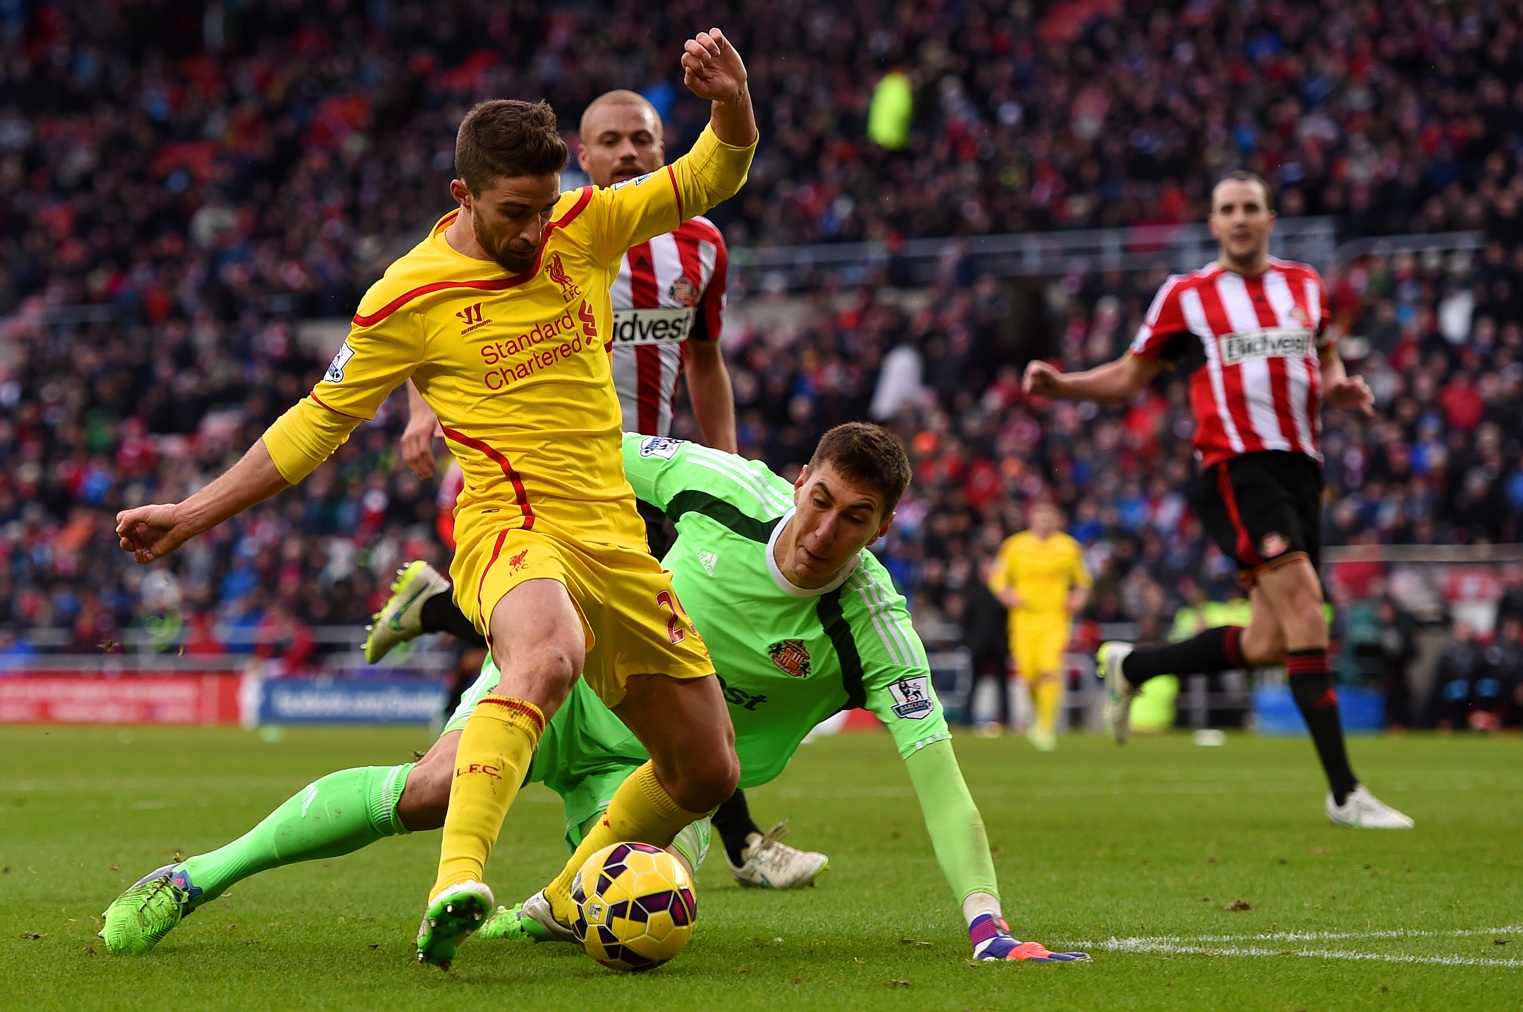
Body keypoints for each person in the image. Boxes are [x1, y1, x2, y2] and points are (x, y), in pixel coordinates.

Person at [113, 27, 760, 969]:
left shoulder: (584, 225)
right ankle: (458, 877)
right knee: (546, 657)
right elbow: (314, 423)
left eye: (544, 207)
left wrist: (729, 99)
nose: (534, 231)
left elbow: (713, 174)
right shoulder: (404, 296)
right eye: (513, 212)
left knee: (706, 770)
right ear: (462, 195)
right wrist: (193, 511)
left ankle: (560, 896)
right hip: (509, 525)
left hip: (615, 534)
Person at [100, 424, 1089, 965]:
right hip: (575, 685)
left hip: (665, 771)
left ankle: (521, 912)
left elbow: (940, 779)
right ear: (799, 481)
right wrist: (462, 433)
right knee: (429, 792)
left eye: (854, 520)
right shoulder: (716, 485)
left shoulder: (875, 625)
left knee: (652, 904)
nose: (824, 530)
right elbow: (577, 452)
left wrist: (984, 922)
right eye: (819, 500)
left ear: (881, 530)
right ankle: (192, 879)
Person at [369, 88, 824, 891]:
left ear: (660, 148)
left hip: (655, 476)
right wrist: (417, 407)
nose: (627, 153)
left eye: (642, 139)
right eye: (609, 141)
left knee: (650, 653)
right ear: (583, 158)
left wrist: (727, 468)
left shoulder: (699, 247)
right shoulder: (549, 236)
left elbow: (705, 362)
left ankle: (436, 619)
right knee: (551, 646)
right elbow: (429, 306)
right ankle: (739, 840)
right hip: (552, 474)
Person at [1023, 170, 1413, 829]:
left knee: (1269, 640)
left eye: (1249, 208)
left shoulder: (1305, 285)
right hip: (1236, 468)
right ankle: (1344, 792)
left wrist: (1339, 385)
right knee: (1306, 613)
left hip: (1301, 471)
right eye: (1226, 208)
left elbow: (1326, 353)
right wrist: (1062, 387)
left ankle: (1133, 666)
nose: (1238, 218)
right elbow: (1128, 373)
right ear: (1211, 223)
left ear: (1268, 217)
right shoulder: (1187, 295)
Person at [987, 499, 1091, 751]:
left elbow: (1083, 581)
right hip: (1023, 620)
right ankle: (1038, 719)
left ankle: (1046, 728)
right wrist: (1007, 595)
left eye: (1049, 518)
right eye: (1040, 518)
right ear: (1031, 520)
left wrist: (1078, 597)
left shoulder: (1069, 548)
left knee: (1049, 670)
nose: (1045, 523)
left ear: (1056, 521)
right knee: (1029, 677)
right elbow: (997, 578)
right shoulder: (1014, 547)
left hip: (1054, 619)